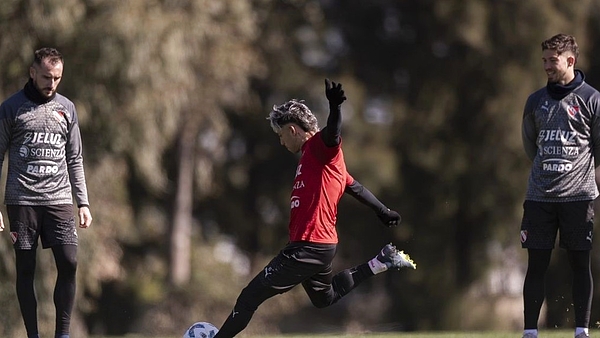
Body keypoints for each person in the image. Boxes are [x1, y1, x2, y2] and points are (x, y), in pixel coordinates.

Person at [213, 79, 416, 338]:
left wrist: (335, 107)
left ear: (293, 130)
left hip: (308, 247)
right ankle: (381, 261)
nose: (281, 142)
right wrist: (382, 210)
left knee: (249, 296)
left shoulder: (319, 149)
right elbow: (354, 187)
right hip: (319, 246)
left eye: (281, 135)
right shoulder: (319, 162)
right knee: (325, 298)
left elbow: (332, 134)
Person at [0, 47, 92, 338]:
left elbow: (74, 158)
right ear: (32, 72)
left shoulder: (67, 108)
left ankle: (62, 335)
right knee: (26, 270)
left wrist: (83, 202)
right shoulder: (11, 108)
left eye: (57, 78)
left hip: (59, 200)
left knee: (70, 262)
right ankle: (33, 335)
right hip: (22, 200)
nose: (51, 83)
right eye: (46, 77)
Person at [520, 33, 600, 338]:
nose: (546, 67)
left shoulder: (592, 100)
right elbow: (530, 146)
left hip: (578, 198)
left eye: (552, 60)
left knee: (580, 264)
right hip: (540, 198)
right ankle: (530, 332)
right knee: (536, 265)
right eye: (544, 61)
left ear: (570, 60)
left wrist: (578, 174)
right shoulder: (534, 101)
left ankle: (581, 330)